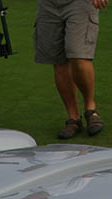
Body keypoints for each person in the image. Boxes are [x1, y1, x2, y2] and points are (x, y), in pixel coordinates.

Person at [34, 0, 108, 139]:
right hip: (48, 5)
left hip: (80, 3)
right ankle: (73, 119)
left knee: (79, 56)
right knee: (58, 61)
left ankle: (90, 109)